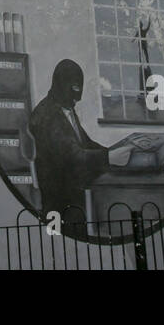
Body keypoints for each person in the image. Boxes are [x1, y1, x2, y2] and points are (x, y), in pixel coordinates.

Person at [29, 60, 142, 237]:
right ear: (62, 85)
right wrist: (108, 157)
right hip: (62, 199)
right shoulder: (47, 116)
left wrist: (110, 151)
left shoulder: (64, 108)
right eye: (73, 91)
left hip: (74, 188)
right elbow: (72, 156)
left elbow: (85, 143)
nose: (77, 99)